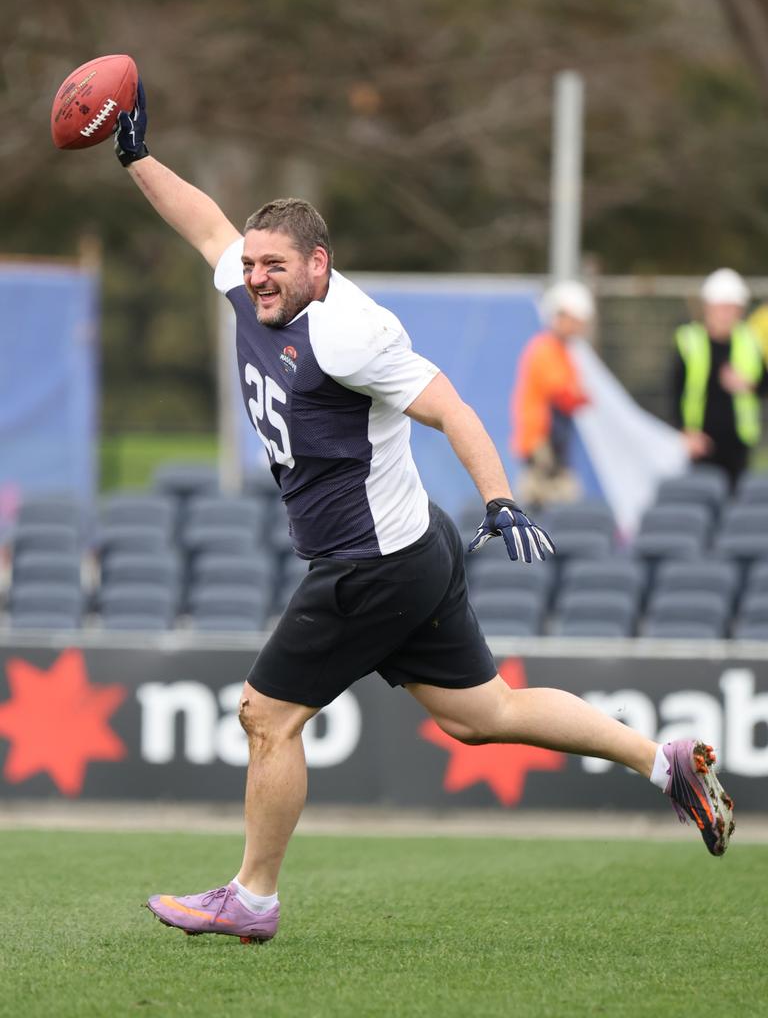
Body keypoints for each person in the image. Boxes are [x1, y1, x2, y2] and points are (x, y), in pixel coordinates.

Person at [106, 81, 734, 945]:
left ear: (318, 266)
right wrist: (138, 158)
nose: (254, 278)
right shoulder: (251, 279)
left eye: (273, 267)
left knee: (266, 714)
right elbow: (206, 224)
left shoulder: (352, 331)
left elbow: (452, 409)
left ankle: (252, 895)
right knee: (485, 717)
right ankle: (659, 760)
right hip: (411, 547)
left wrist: (502, 496)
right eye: (250, 265)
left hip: (372, 565)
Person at [671, 268, 768, 488]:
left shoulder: (750, 340)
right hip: (700, 442)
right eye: (721, 307)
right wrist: (685, 433)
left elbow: (764, 384)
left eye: (731, 308)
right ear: (708, 308)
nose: (726, 314)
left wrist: (747, 384)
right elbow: (675, 390)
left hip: (738, 442)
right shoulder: (689, 340)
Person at [510, 281, 593, 510]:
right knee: (546, 501)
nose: (578, 327)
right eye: (574, 321)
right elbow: (564, 392)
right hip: (541, 445)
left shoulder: (561, 351)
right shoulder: (545, 349)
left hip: (554, 441)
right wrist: (581, 396)